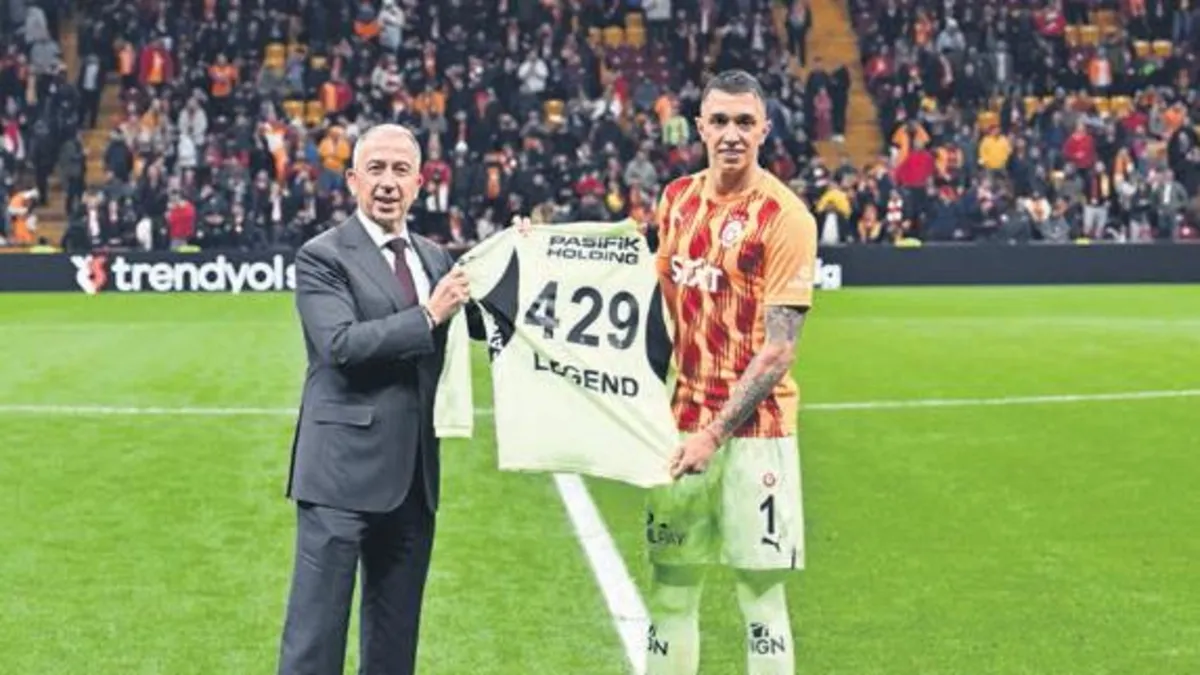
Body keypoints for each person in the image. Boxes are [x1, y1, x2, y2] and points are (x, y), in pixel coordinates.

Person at [277, 123, 475, 675]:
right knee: (315, 642)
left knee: (394, 644)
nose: (388, 182)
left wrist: (523, 251)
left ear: (419, 183)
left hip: (413, 479)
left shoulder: (435, 258)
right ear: (352, 180)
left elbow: (485, 321)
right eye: (376, 169)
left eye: (400, 170)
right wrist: (429, 315)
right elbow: (340, 345)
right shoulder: (322, 256)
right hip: (339, 477)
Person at [645, 69, 818, 675]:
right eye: (719, 121)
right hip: (679, 426)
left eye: (745, 122)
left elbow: (779, 349)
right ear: (700, 127)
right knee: (671, 591)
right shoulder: (676, 200)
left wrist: (713, 434)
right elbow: (646, 298)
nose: (732, 134)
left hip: (757, 435)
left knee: (760, 600)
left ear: (765, 129)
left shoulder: (785, 216)